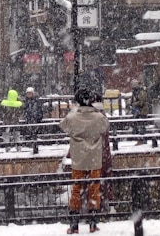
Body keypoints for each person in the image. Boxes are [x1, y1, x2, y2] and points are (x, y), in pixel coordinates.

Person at [59, 88, 110, 234]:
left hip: (78, 158)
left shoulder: (71, 118)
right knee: (94, 188)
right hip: (94, 158)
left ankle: (74, 225)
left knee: (76, 189)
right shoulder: (99, 118)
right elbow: (105, 127)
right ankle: (93, 223)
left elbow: (64, 126)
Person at [130, 79, 149, 144]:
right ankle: (139, 139)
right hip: (137, 111)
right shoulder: (135, 92)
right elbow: (133, 101)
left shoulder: (141, 91)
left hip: (142, 111)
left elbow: (142, 102)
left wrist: (134, 104)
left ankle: (142, 139)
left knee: (142, 125)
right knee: (136, 125)